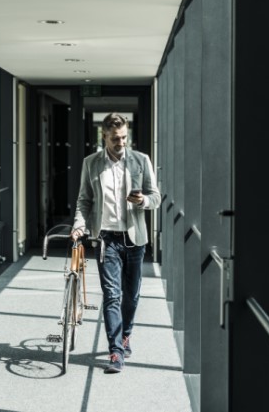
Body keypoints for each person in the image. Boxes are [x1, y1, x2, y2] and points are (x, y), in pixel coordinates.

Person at [71, 112, 161, 373]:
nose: (121, 142)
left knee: (131, 297)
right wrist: (80, 224)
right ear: (104, 137)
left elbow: (156, 197)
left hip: (134, 239)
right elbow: (84, 200)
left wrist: (142, 201)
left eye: (124, 137)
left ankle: (125, 335)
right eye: (115, 138)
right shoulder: (91, 163)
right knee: (112, 295)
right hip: (106, 238)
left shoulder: (141, 161)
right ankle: (115, 351)